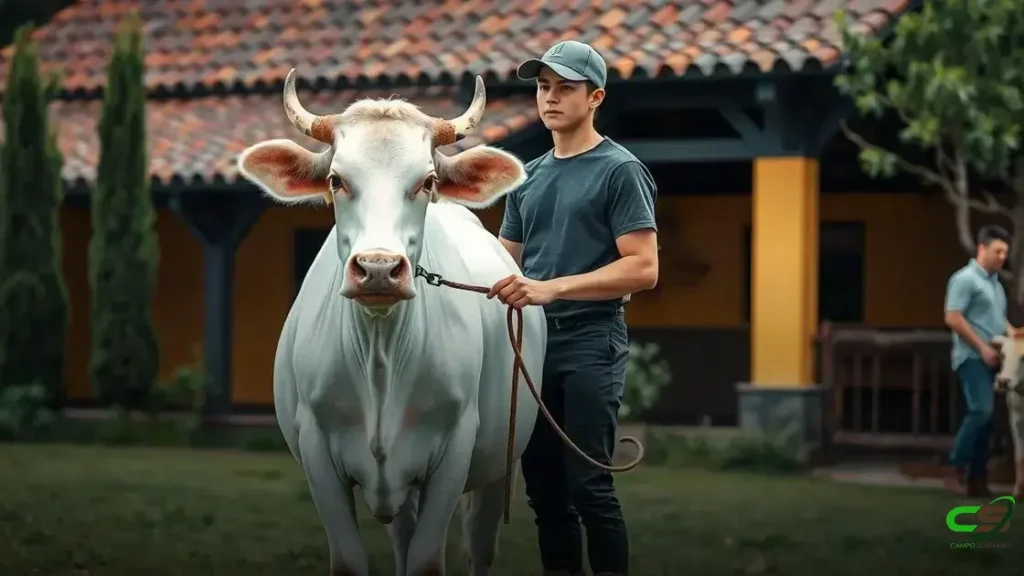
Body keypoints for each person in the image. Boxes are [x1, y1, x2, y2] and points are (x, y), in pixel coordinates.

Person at [488, 40, 659, 576]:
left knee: (591, 489)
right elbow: (502, 262)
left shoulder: (620, 170)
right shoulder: (526, 177)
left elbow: (643, 268)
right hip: (531, 344)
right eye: (542, 87)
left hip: (590, 339)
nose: (551, 98)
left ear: (596, 97)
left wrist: (552, 288)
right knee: (546, 497)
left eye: (565, 88)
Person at [943, 224, 1016, 497]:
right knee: (980, 411)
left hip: (994, 359)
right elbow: (953, 317)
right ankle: (954, 468)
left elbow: (997, 320)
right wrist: (982, 348)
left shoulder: (995, 285)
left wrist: (1014, 333)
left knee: (987, 421)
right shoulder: (964, 279)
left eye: (1005, 252)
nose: (1002, 257)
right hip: (972, 357)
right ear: (982, 248)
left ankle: (978, 480)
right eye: (998, 251)